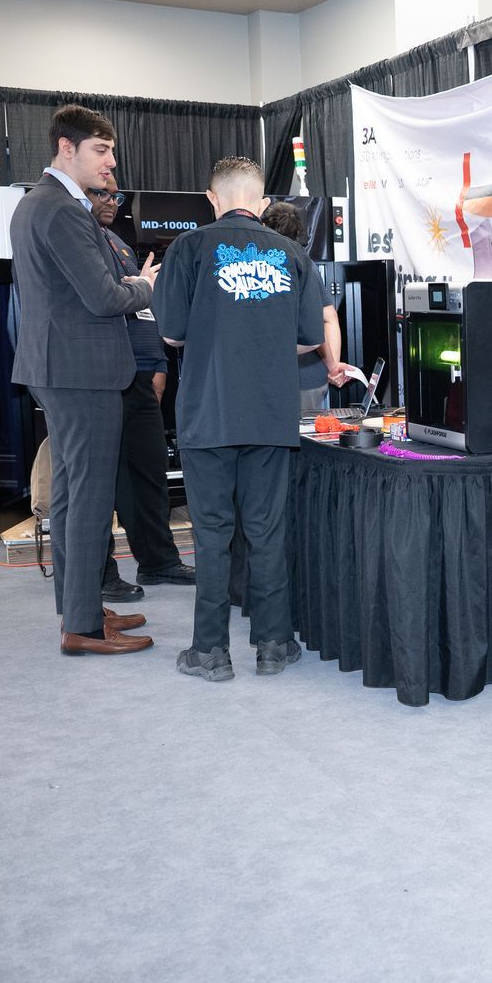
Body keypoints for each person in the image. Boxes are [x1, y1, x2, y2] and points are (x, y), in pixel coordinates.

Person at [154, 158, 329, 682]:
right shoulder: (296, 255)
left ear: (212, 198)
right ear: (264, 203)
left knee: (211, 532)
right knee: (266, 529)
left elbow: (171, 332)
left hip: (209, 412)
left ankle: (210, 651)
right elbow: (309, 338)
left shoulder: (185, 249)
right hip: (271, 412)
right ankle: (274, 643)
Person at [9, 104, 157, 656]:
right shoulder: (64, 210)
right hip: (82, 371)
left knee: (72, 495)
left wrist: (123, 281)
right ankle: (84, 629)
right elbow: (103, 298)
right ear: (65, 148)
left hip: (62, 367)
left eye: (112, 151)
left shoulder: (36, 205)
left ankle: (79, 610)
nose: (110, 163)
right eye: (101, 151)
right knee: (90, 499)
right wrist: (144, 287)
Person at [87, 183, 195, 601]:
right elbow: (114, 301)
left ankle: (158, 561)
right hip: (101, 378)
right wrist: (141, 286)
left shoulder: (120, 245)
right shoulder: (82, 242)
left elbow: (143, 310)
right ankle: (100, 572)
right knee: (104, 481)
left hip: (139, 377)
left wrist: (156, 364)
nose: (110, 202)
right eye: (101, 194)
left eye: (115, 196)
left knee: (150, 473)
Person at [264, 200, 363, 409]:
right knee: (309, 438)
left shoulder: (263, 266)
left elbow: (315, 324)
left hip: (282, 377)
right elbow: (329, 316)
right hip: (310, 379)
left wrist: (331, 365)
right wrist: (333, 365)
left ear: (264, 227)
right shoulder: (304, 262)